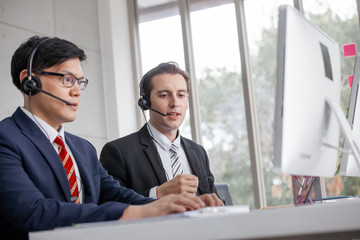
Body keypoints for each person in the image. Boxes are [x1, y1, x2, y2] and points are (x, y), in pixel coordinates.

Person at [0, 36, 222, 240]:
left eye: (80, 82)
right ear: (29, 80)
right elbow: (31, 211)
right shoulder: (6, 139)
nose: (77, 91)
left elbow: (116, 195)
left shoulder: (82, 149)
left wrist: (179, 205)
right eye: (67, 79)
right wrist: (140, 211)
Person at [100, 62, 220, 200]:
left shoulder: (198, 152)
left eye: (181, 95)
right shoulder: (118, 152)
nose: (174, 103)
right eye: (164, 95)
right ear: (145, 102)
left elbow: (213, 200)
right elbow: (111, 205)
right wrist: (158, 193)